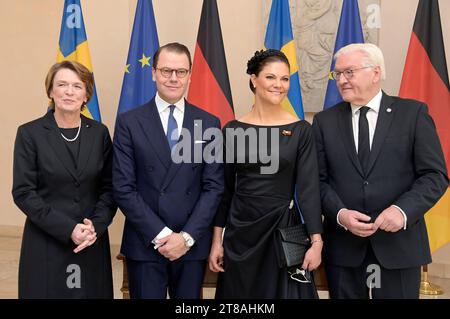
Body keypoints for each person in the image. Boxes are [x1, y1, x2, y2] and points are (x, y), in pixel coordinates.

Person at [312, 43, 449, 299]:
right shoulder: (324, 122)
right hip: (344, 249)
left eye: (349, 72)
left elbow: (434, 176)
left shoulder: (413, 114)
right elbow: (317, 181)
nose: (341, 80)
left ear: (375, 73)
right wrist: (340, 214)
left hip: (399, 247)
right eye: (337, 74)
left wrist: (402, 211)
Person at [208, 49, 323, 298]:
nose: (279, 85)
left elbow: (309, 191)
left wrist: (316, 241)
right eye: (271, 77)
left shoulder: (301, 130)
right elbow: (224, 191)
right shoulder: (232, 130)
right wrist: (217, 241)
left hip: (282, 230)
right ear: (254, 79)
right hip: (240, 233)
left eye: (284, 79)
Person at [113, 42, 224, 299]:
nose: (173, 78)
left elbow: (214, 187)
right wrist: (162, 236)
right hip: (145, 242)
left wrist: (185, 238)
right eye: (166, 71)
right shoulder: (129, 122)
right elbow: (123, 188)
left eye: (181, 72)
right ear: (153, 73)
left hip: (191, 245)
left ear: (189, 76)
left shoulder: (208, 122)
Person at [12, 61, 117, 298]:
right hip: (46, 243)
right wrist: (68, 228)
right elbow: (24, 192)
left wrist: (96, 226)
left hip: (90, 242)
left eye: (77, 86)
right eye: (62, 84)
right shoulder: (30, 133)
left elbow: (110, 187)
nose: (69, 92)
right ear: (51, 91)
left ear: (86, 94)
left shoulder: (99, 133)